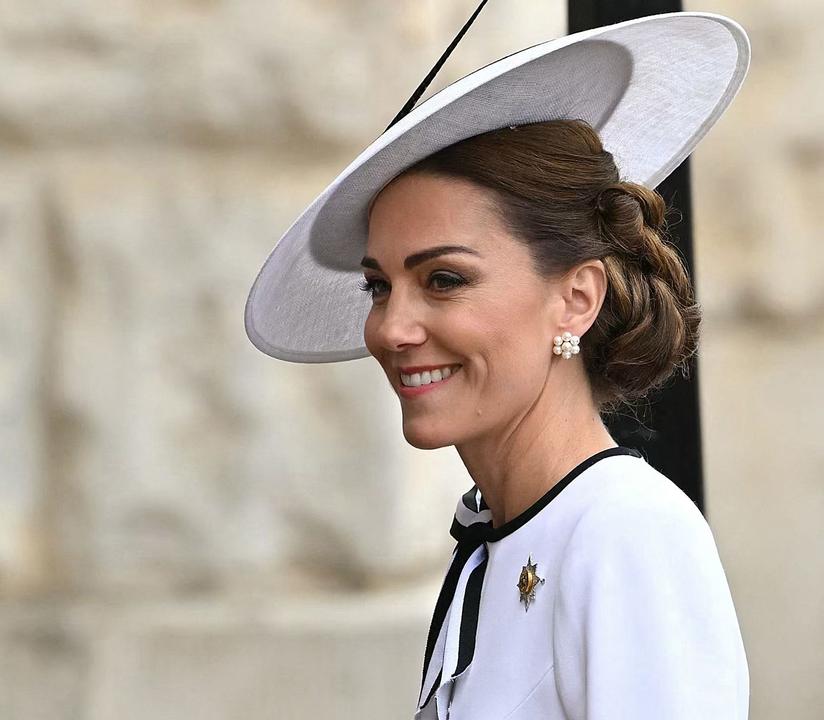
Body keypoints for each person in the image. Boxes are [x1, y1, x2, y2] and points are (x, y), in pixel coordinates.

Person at [242, 11, 751, 720]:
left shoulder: (625, 533)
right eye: (379, 285)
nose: (391, 327)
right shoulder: (494, 542)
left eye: (444, 279)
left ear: (575, 300)